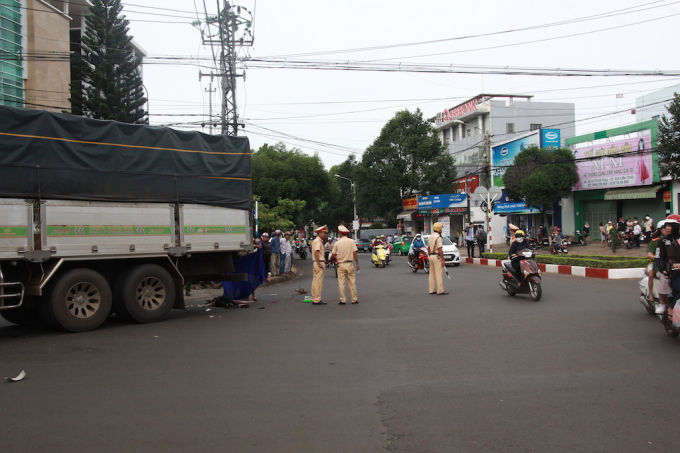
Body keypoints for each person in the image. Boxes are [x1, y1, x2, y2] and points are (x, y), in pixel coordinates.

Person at [655, 217, 680, 314]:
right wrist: (663, 269)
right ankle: (663, 305)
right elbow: (659, 257)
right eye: (667, 226)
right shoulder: (662, 241)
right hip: (669, 269)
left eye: (670, 226)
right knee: (664, 281)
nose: (668, 228)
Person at [331, 225, 360, 305]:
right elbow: (355, 253)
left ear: (340, 233)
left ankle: (342, 300)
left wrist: (336, 256)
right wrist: (357, 264)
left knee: (341, 283)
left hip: (341, 264)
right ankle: (354, 299)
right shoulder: (352, 241)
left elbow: (333, 255)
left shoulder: (337, 243)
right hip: (350, 264)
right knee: (352, 282)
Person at [428, 222, 448, 295]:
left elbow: (428, 248)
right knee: (439, 274)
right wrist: (442, 259)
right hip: (437, 256)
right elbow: (440, 249)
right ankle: (440, 290)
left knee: (432, 274)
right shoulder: (438, 237)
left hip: (431, 256)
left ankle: (431, 290)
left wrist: (429, 255)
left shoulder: (430, 237)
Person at [311, 225, 328, 305]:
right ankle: (317, 299)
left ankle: (315, 297)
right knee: (318, 282)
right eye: (324, 232)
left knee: (315, 281)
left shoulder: (316, 241)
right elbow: (316, 252)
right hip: (319, 262)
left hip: (316, 262)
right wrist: (319, 263)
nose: (324, 234)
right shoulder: (318, 241)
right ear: (320, 232)